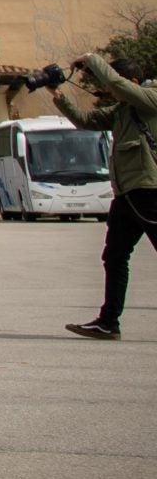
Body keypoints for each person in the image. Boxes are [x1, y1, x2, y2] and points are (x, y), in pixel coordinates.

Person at [49, 53, 157, 338]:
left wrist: (92, 60)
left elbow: (115, 83)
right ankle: (108, 322)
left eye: (114, 86)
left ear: (132, 81)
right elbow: (86, 120)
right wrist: (57, 94)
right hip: (127, 194)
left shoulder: (150, 98)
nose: (109, 92)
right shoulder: (123, 110)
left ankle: (108, 321)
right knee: (114, 256)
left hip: (149, 190)